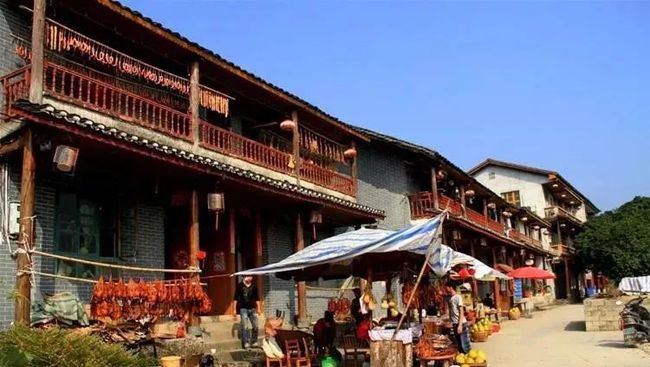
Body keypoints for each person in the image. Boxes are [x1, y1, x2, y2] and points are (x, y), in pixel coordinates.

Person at [234, 275, 261, 349]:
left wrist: (259, 308)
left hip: (252, 309)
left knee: (255, 326)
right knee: (245, 327)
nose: (250, 278)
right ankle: (246, 342)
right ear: (244, 277)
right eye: (248, 276)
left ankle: (254, 341)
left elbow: (257, 298)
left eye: (251, 276)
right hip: (243, 309)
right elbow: (235, 298)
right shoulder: (240, 286)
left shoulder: (254, 286)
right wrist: (234, 309)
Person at [444, 280, 471, 354]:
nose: (445, 289)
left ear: (450, 288)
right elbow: (442, 295)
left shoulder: (458, 297)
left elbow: (461, 311)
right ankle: (462, 360)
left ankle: (468, 360)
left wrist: (460, 325)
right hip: (455, 324)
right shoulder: (450, 298)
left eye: (446, 288)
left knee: (464, 344)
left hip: (461, 323)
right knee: (459, 344)